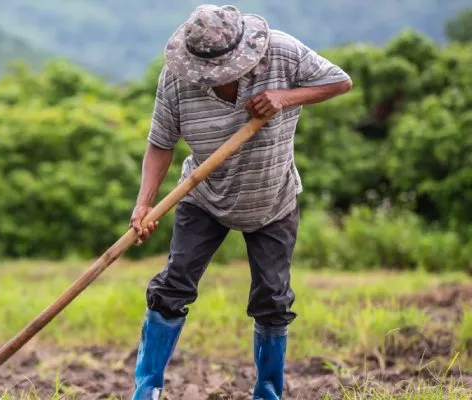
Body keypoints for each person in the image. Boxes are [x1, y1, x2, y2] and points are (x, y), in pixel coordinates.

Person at [129, 4, 352, 400]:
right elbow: (160, 143)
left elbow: (340, 82)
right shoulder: (177, 80)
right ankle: (147, 390)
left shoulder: (281, 52)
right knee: (172, 287)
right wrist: (144, 205)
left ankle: (268, 392)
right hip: (203, 197)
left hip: (272, 197)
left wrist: (285, 97)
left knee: (272, 298)